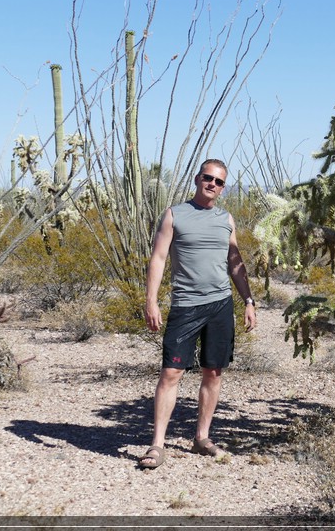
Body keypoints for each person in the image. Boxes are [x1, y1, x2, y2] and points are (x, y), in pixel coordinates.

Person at [138, 158, 257, 469]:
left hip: (220, 305)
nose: (212, 185)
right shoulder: (175, 215)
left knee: (213, 372)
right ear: (197, 178)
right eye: (208, 178)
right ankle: (157, 444)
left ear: (222, 187)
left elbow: (235, 262)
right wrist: (151, 300)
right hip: (186, 304)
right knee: (171, 373)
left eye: (219, 182)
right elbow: (159, 258)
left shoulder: (226, 219)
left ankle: (202, 438)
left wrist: (248, 300)